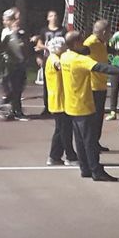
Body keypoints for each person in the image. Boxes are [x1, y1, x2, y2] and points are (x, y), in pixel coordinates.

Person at [58, 31, 119, 181]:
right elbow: (102, 67)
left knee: (80, 140)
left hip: (71, 105)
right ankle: (96, 170)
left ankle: (85, 168)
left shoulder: (64, 57)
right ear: (76, 43)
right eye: (81, 41)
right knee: (90, 141)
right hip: (83, 105)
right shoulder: (79, 60)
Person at [43, 37, 78, 166]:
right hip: (59, 100)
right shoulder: (54, 58)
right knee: (65, 130)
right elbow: (57, 65)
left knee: (60, 129)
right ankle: (70, 156)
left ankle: (54, 156)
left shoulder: (56, 57)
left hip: (61, 99)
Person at [83, 19, 113, 152]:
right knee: (92, 118)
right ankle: (89, 144)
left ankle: (95, 142)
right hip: (92, 86)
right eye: (109, 31)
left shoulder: (102, 43)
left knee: (99, 117)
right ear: (104, 32)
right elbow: (80, 54)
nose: (110, 34)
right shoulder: (90, 43)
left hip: (101, 85)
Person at [34, 10, 66, 116]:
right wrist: (47, 48)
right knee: (47, 85)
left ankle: (62, 105)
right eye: (51, 16)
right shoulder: (44, 31)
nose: (54, 17)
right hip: (48, 60)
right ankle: (47, 107)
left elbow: (67, 43)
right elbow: (39, 44)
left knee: (61, 84)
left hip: (60, 60)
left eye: (55, 15)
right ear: (48, 18)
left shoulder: (63, 30)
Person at [0, 8, 30, 121]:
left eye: (6, 19)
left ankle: (11, 108)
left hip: (21, 63)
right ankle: (17, 111)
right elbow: (5, 46)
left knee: (20, 87)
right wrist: (14, 33)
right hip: (10, 64)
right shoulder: (6, 32)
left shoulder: (20, 32)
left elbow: (25, 46)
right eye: (4, 20)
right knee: (15, 88)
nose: (4, 22)